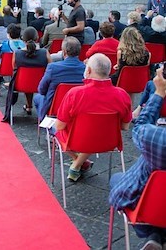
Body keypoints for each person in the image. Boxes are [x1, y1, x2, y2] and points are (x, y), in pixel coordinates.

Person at [109, 67, 166, 249]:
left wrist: (158, 93)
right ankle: (156, 235)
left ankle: (153, 233)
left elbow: (140, 125)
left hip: (151, 205)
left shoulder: (158, 139)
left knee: (117, 179)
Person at [54, 53, 132, 182]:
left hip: (77, 141)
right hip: (109, 141)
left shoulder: (75, 94)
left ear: (88, 70)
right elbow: (125, 126)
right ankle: (79, 163)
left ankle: (77, 161)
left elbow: (60, 126)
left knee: (56, 129)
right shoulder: (122, 95)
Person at [33, 37, 85, 121]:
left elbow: (41, 89)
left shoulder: (53, 67)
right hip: (77, 106)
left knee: (37, 98)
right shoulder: (85, 69)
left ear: (64, 52)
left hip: (54, 107)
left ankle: (46, 124)